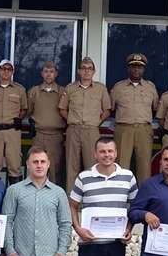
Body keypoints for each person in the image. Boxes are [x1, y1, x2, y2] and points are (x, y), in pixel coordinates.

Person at [59, 57, 111, 190]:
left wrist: (97, 122)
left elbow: (107, 110)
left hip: (92, 131)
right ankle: (71, 200)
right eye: (83, 68)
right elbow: (62, 109)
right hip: (73, 130)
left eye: (89, 68)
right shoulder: (70, 88)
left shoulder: (100, 89)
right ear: (78, 71)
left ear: (94, 72)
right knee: (72, 166)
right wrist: (71, 119)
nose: (86, 71)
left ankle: (91, 197)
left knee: (92, 165)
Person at [111, 53, 159, 181]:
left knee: (144, 166)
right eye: (133, 67)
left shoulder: (150, 87)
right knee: (121, 166)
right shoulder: (118, 87)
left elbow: (156, 108)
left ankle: (143, 197)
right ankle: (121, 196)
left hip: (144, 129)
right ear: (128, 69)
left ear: (143, 69)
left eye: (139, 67)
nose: (136, 70)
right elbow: (110, 108)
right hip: (123, 129)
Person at [28, 61, 66, 184]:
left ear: (56, 74)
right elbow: (28, 110)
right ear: (42, 74)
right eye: (46, 71)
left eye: (51, 71)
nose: (48, 74)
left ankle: (53, 199)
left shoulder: (62, 92)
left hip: (56, 136)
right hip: (38, 135)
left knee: (54, 169)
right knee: (36, 168)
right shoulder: (34, 92)